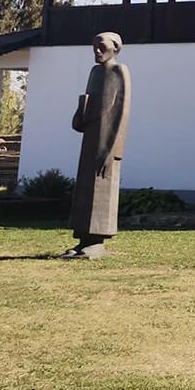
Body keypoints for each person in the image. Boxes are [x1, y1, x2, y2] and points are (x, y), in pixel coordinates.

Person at [64, 32, 131, 259]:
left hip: (107, 140)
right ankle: (83, 238)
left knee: (102, 189)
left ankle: (97, 241)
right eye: (94, 47)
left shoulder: (119, 71)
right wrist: (80, 114)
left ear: (115, 48)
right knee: (85, 187)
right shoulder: (95, 72)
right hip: (90, 138)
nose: (97, 51)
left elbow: (122, 112)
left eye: (102, 47)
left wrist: (113, 149)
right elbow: (90, 103)